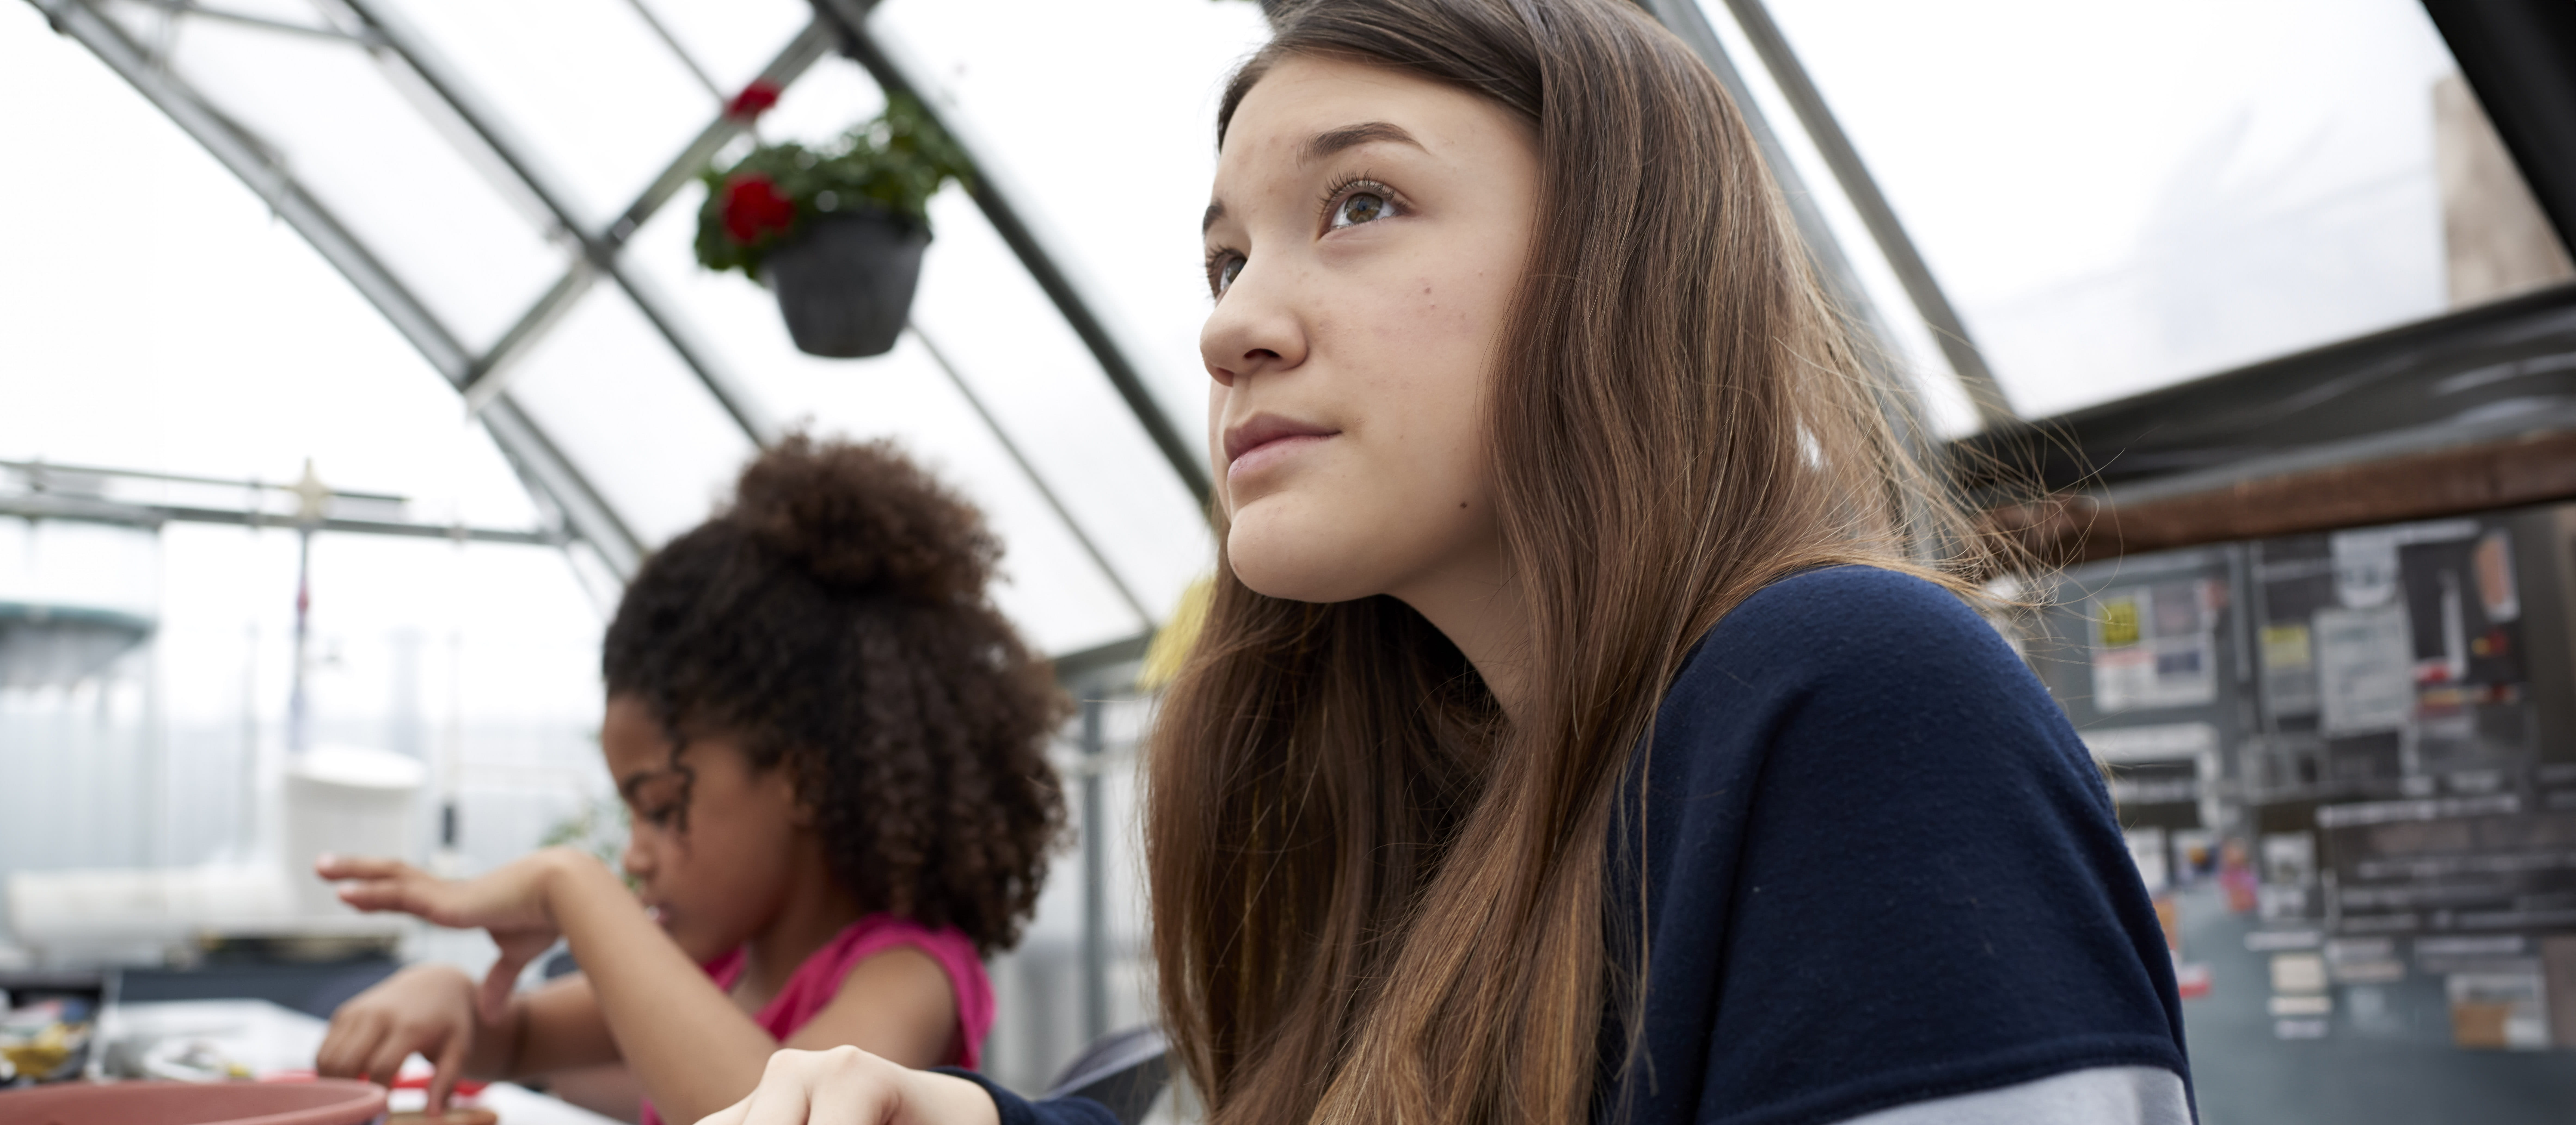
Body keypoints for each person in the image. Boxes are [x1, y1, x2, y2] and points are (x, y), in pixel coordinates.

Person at [702, 1, 2192, 1123]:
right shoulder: (1411, 785)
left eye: (1357, 205)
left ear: (1615, 266)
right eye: (1224, 260)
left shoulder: (1854, 699)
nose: (1229, 327)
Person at [312, 436, 1070, 1125]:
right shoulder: (716, 968)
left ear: (802, 780)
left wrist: (568, 884)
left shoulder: (906, 972)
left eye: (662, 808)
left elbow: (773, 1114)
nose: (636, 856)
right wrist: (453, 1000)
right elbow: (514, 1042)